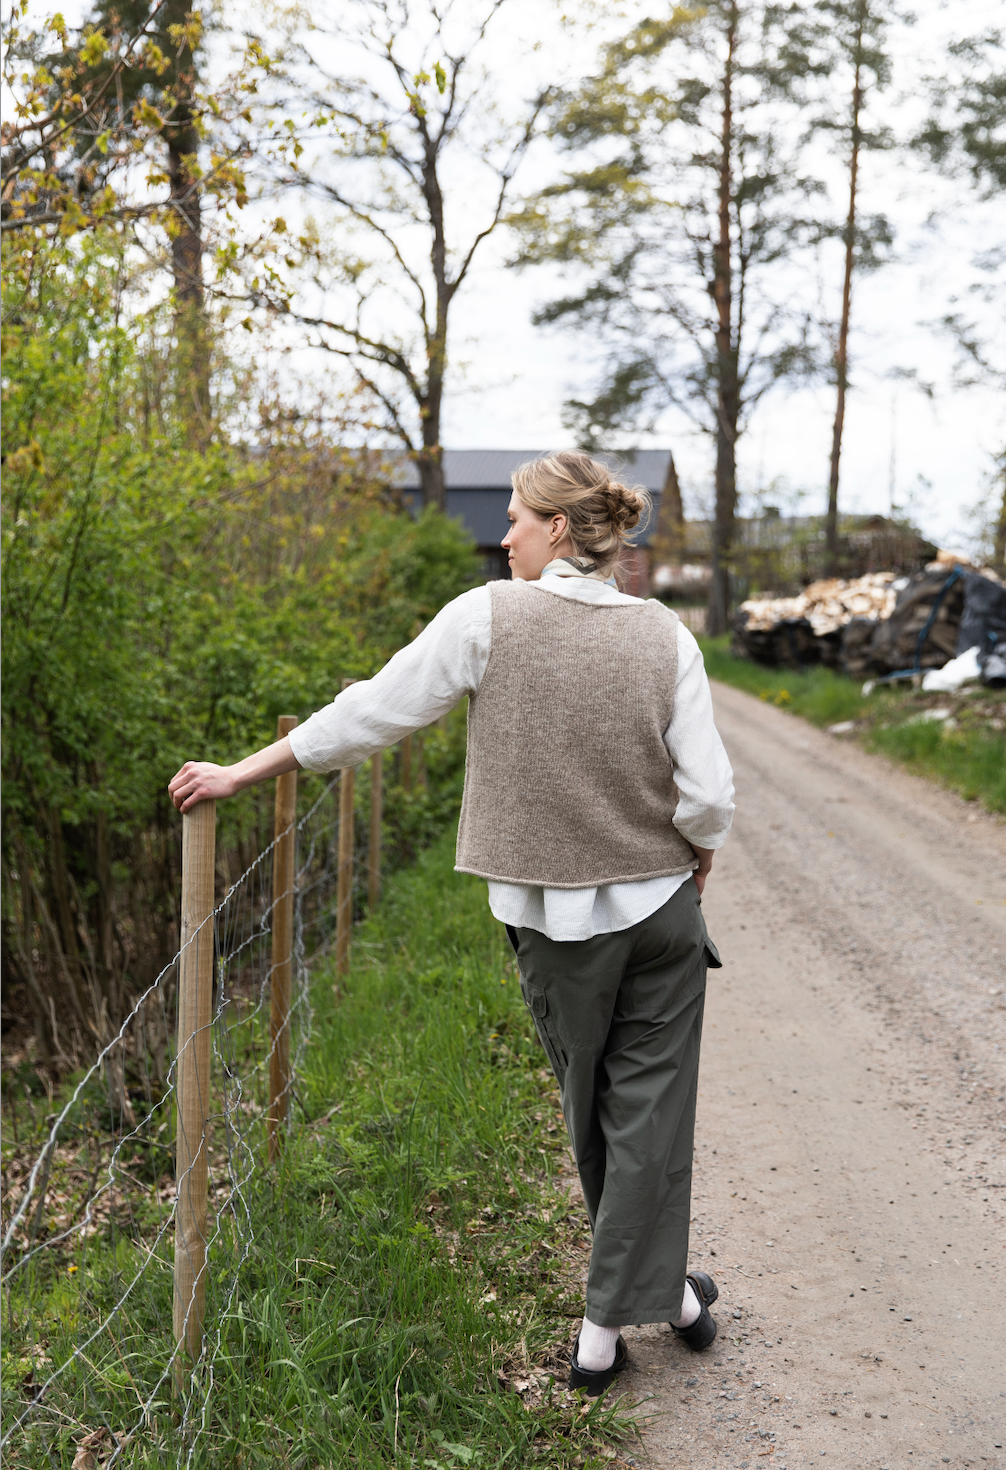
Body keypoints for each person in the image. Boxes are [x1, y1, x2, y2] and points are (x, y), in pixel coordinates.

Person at [169, 450, 735, 1397]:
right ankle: (664, 1294)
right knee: (649, 1111)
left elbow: (371, 715)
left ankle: (602, 1332)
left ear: (559, 527)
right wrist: (700, 848)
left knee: (593, 1105)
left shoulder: (486, 617)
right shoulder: (667, 636)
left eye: (516, 516)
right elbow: (709, 796)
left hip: (558, 928)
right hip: (662, 909)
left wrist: (242, 771)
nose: (503, 533)